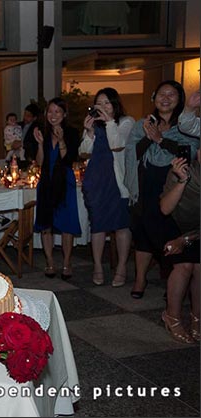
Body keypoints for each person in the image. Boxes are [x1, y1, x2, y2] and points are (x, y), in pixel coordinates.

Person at [124, 80, 199, 299]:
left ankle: (175, 284)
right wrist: (150, 138)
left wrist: (159, 138)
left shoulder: (185, 126)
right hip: (145, 184)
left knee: (169, 233)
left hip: (173, 184)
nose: (165, 98)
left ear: (179, 100)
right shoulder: (142, 124)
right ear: (154, 97)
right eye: (161, 94)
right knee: (143, 232)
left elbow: (188, 152)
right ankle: (140, 280)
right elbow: (132, 153)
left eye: (171, 95)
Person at [79, 88, 135, 287]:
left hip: (117, 182)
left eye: (106, 103)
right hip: (96, 182)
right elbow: (84, 153)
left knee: (121, 226)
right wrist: (89, 132)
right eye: (98, 103)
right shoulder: (95, 125)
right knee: (98, 226)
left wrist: (110, 122)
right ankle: (97, 266)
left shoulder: (126, 122)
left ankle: (121, 267)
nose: (102, 107)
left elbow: (117, 144)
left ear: (114, 104)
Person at [159, 87, 200, 343]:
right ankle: (172, 316)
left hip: (195, 231)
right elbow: (164, 209)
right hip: (174, 223)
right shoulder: (183, 168)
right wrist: (182, 181)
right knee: (185, 264)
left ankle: (197, 317)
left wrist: (187, 240)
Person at [34, 97, 81, 280]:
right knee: (46, 225)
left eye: (57, 112)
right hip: (46, 181)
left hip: (64, 181)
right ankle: (50, 263)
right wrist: (39, 144)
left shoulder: (71, 133)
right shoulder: (42, 132)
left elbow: (68, 160)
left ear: (64, 114)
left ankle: (67, 263)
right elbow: (40, 163)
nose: (53, 115)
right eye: (50, 111)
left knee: (66, 224)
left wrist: (61, 140)